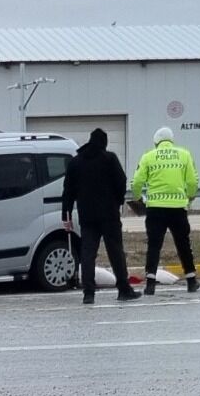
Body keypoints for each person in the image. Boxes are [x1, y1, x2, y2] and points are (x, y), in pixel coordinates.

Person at [60, 128, 142, 305]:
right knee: (116, 252)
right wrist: (118, 201)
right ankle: (123, 289)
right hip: (109, 214)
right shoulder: (109, 159)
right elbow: (121, 181)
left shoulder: (75, 162)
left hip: (87, 215)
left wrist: (65, 214)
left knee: (88, 253)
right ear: (104, 143)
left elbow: (67, 191)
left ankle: (88, 293)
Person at [131, 127, 200, 295]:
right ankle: (191, 280)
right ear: (171, 140)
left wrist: (138, 197)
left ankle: (150, 283)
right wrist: (190, 196)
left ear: (156, 142)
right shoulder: (184, 155)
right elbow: (192, 180)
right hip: (178, 208)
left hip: (155, 208)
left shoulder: (148, 156)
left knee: (154, 245)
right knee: (183, 244)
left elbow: (137, 182)